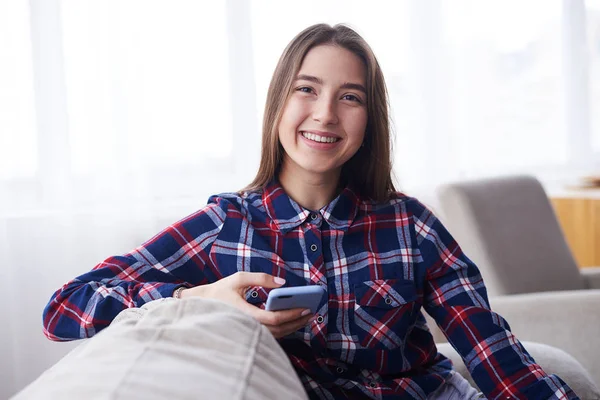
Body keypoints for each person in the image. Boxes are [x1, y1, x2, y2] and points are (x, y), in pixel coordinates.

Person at [43, 23, 578, 399]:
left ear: (370, 120)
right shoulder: (226, 226)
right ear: (279, 103)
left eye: (350, 97)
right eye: (306, 89)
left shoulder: (412, 225)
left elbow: (489, 347)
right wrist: (197, 298)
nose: (325, 114)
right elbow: (65, 309)